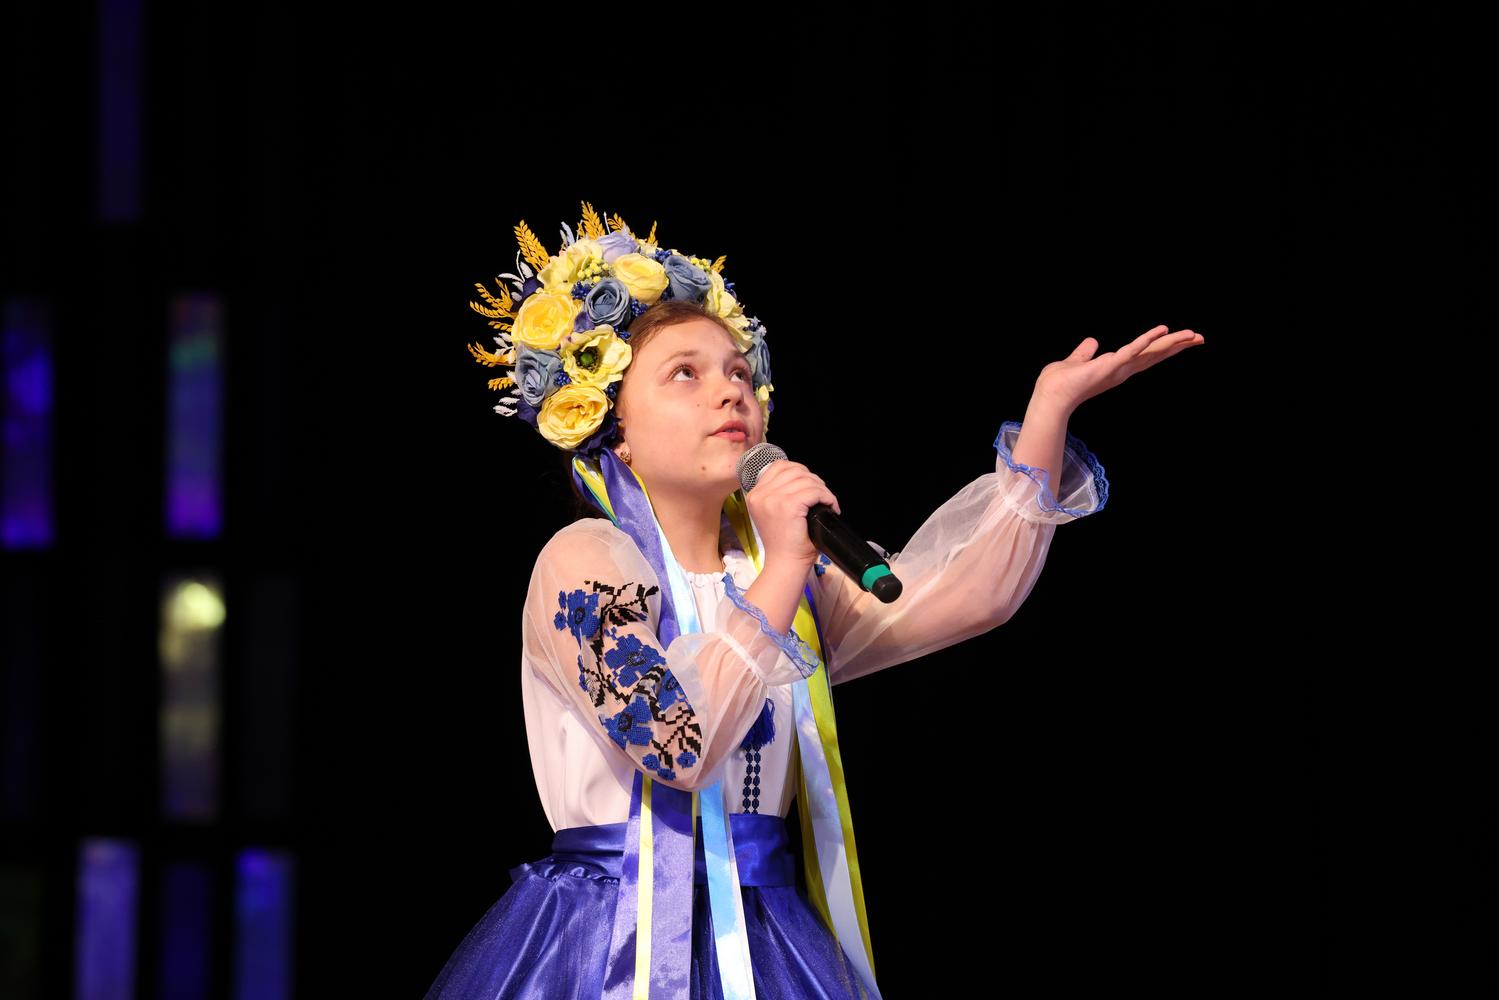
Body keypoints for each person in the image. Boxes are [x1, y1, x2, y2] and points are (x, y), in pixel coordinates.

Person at [426, 202, 1204, 1000]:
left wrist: (1046, 414)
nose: (729, 392)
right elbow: (674, 745)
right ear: (611, 424)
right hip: (606, 939)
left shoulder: (773, 573)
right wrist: (786, 565)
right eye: (685, 373)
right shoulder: (587, 559)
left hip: (762, 931)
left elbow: (968, 593)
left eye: (739, 372)